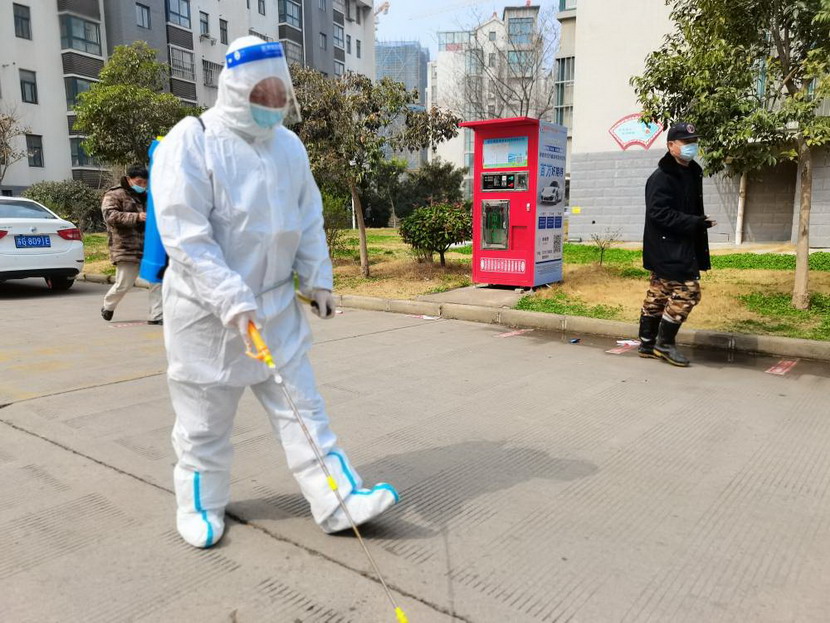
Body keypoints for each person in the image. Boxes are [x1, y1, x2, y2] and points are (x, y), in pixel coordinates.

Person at [151, 36, 398, 549]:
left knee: (304, 410)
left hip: (277, 309)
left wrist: (318, 279)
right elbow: (186, 235)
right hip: (206, 316)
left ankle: (337, 501)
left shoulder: (289, 146)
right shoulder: (192, 140)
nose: (271, 104)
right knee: (204, 423)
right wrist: (231, 299)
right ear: (235, 90)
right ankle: (199, 503)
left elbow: (307, 220)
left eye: (278, 94)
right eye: (260, 94)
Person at [638, 122, 716, 367]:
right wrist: (694, 222)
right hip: (667, 247)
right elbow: (658, 213)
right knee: (688, 292)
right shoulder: (661, 177)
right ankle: (664, 344)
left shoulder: (691, 171)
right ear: (671, 145)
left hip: (679, 243)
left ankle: (647, 343)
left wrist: (698, 223)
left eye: (694, 142)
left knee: (659, 293)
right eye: (686, 142)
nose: (692, 146)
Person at [100, 164, 163, 325]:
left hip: (149, 247)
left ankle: (156, 315)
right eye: (139, 182)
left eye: (145, 183)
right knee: (124, 284)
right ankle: (108, 306)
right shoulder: (114, 194)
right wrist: (137, 217)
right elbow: (110, 216)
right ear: (129, 179)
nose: (142, 186)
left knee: (156, 280)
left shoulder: (149, 196)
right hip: (126, 247)